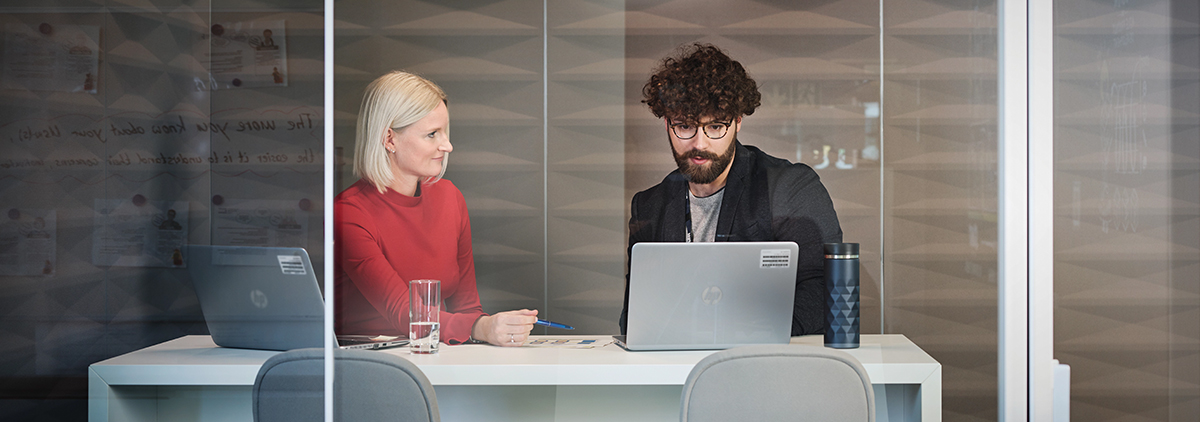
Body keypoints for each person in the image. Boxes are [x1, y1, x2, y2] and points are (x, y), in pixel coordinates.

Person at [619, 44, 843, 336]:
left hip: (764, 369)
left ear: (738, 121)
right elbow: (635, 317)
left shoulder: (789, 187)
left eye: (715, 127)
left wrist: (729, 335)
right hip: (674, 370)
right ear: (666, 123)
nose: (699, 143)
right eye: (685, 126)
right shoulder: (649, 205)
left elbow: (824, 294)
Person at [335, 71, 537, 346]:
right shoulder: (349, 213)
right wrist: (482, 327)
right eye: (432, 134)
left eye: (444, 132)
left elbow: (467, 308)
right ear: (389, 139)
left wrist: (483, 327)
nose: (448, 145)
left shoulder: (449, 197)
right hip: (367, 365)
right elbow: (403, 312)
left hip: (431, 356)